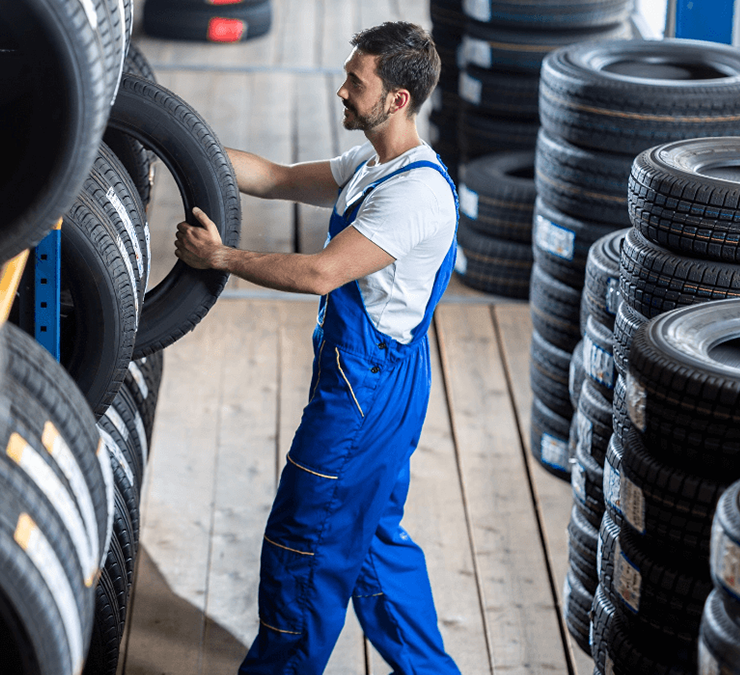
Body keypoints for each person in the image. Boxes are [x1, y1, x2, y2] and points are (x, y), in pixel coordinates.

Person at [174, 21, 463, 675]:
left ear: (396, 100)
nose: (340, 90)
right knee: (371, 547)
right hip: (376, 379)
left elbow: (321, 274)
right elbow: (274, 177)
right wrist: (179, 140)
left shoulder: (413, 193)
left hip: (366, 392)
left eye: (355, 82)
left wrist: (220, 256)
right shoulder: (374, 165)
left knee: (303, 544)